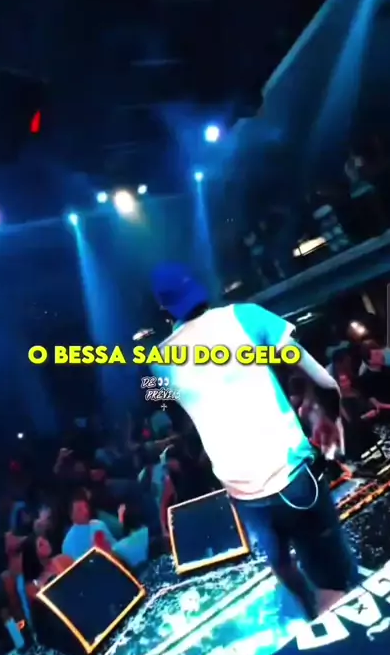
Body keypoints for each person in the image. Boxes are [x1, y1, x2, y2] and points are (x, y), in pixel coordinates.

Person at [150, 263, 359, 618]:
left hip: (243, 492)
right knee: (333, 576)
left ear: (164, 308)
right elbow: (325, 382)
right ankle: (337, 617)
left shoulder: (159, 362)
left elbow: (176, 402)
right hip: (292, 475)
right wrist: (331, 416)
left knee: (280, 561)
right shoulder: (245, 316)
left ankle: (310, 609)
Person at [61, 492, 113, 560]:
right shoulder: (68, 543)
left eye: (86, 507)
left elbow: (114, 547)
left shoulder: (99, 524)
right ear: (71, 516)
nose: (85, 511)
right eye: (79, 510)